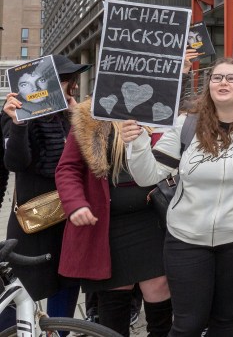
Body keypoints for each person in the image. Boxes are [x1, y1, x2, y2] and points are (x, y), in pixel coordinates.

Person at [121, 58, 233, 337]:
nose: (223, 82)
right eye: (217, 77)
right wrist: (136, 144)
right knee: (188, 325)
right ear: (208, 86)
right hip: (186, 238)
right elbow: (147, 176)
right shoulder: (186, 125)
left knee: (226, 320)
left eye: (231, 78)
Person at [55, 100, 171, 337]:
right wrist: (75, 204)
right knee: (114, 297)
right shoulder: (90, 116)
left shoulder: (157, 109)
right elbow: (68, 168)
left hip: (151, 219)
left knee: (159, 287)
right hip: (106, 225)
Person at [1, 55, 91, 326]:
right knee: (21, 288)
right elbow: (15, 162)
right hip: (33, 220)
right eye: (60, 80)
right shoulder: (17, 115)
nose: (65, 87)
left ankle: (60, 332)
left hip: (69, 217)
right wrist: (18, 125)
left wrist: (80, 121)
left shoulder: (75, 116)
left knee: (66, 282)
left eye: (67, 81)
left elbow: (91, 162)